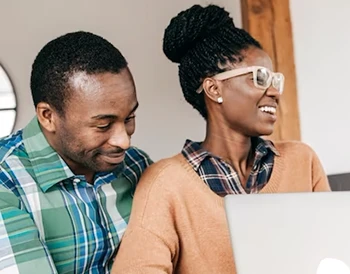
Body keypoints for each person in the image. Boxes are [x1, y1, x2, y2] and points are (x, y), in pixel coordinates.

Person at [110, 4, 330, 274]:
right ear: (214, 88)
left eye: (275, 79)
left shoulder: (302, 161)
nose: (274, 91)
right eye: (259, 78)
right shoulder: (165, 182)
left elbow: (334, 251)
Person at [0, 31, 151, 273]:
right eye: (103, 125)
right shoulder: (5, 183)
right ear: (48, 117)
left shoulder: (137, 165)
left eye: (130, 117)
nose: (124, 142)